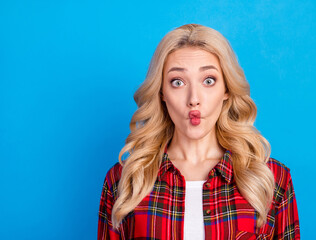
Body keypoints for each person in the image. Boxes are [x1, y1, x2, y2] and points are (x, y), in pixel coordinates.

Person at [98, 23, 300, 240]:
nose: (194, 99)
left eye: (208, 81)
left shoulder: (271, 179)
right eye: (178, 82)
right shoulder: (125, 181)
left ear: (226, 90)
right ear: (162, 93)